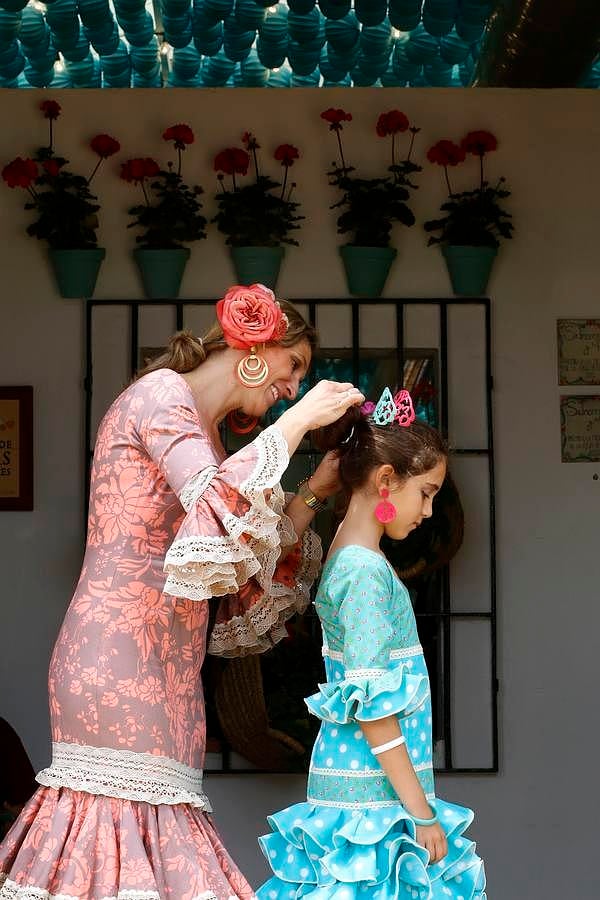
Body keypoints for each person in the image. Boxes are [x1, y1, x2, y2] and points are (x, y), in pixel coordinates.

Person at [0, 284, 364, 900]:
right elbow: (215, 503)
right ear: (255, 344)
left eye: (300, 380)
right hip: (114, 660)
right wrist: (300, 424)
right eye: (293, 365)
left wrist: (314, 492)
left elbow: (240, 568)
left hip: (172, 674)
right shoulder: (161, 395)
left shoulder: (210, 440)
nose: (292, 389)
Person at [257, 388, 487, 899]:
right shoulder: (363, 570)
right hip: (373, 814)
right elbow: (371, 709)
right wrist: (421, 814)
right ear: (387, 481)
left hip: (365, 799)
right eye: (426, 492)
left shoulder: (347, 549)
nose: (428, 511)